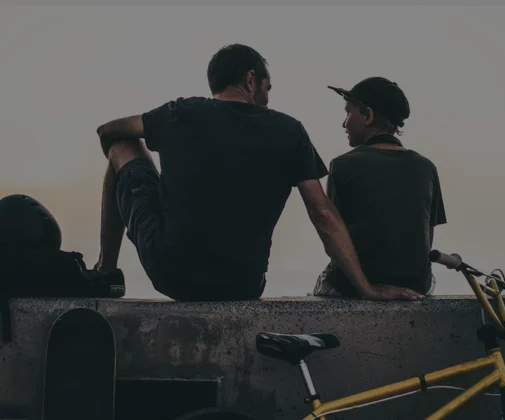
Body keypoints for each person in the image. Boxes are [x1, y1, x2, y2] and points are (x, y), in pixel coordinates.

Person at [93, 44, 422, 302]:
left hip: (171, 274)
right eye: (268, 87)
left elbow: (108, 130)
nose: (267, 98)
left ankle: (106, 271)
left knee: (122, 145)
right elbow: (322, 213)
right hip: (244, 283)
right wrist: (366, 288)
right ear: (251, 80)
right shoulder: (289, 131)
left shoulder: (181, 113)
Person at [313, 77, 447, 298]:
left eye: (348, 113)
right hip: (416, 286)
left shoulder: (343, 165)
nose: (344, 123)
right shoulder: (426, 167)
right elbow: (425, 236)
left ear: (367, 115)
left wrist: (367, 285)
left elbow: (335, 243)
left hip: (354, 285)